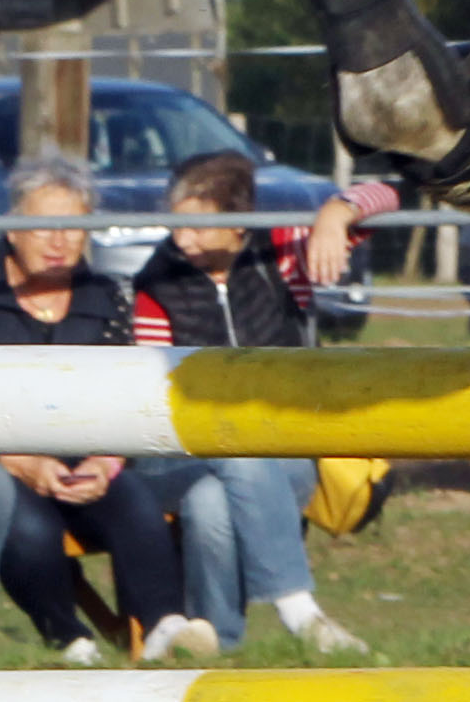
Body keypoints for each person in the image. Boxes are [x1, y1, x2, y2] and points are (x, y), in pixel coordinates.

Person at [0, 154, 202, 663]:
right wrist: (18, 462)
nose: (59, 240)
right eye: (44, 226)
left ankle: (164, 624)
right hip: (1, 459)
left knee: (135, 503)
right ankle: (68, 636)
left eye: (74, 227)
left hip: (87, 455)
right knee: (29, 527)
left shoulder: (107, 296)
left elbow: (126, 396)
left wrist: (106, 461)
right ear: (14, 227)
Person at [125, 151, 388, 653]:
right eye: (176, 224)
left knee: (212, 502)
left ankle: (216, 644)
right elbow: (151, 397)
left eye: (200, 227)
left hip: (284, 451)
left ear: (239, 222)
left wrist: (336, 214)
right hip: (180, 454)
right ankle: (300, 611)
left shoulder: (282, 255)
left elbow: (388, 196)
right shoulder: (156, 284)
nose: (183, 240)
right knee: (233, 454)